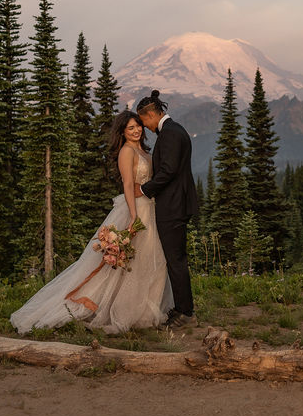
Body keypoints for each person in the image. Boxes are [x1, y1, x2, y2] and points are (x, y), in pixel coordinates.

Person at [10, 111, 173, 334]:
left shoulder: (142, 150)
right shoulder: (126, 152)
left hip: (150, 207)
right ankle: (121, 312)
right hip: (137, 209)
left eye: (137, 126)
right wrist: (133, 216)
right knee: (133, 262)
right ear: (122, 132)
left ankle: (143, 312)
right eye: (130, 128)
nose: (136, 131)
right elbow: (127, 185)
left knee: (152, 260)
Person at [137, 90, 199, 328]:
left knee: (176, 260)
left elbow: (168, 171)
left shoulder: (170, 134)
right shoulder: (175, 130)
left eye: (144, 122)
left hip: (173, 206)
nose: (145, 127)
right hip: (176, 204)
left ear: (152, 114)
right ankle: (182, 308)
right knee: (175, 259)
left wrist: (144, 190)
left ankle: (186, 313)